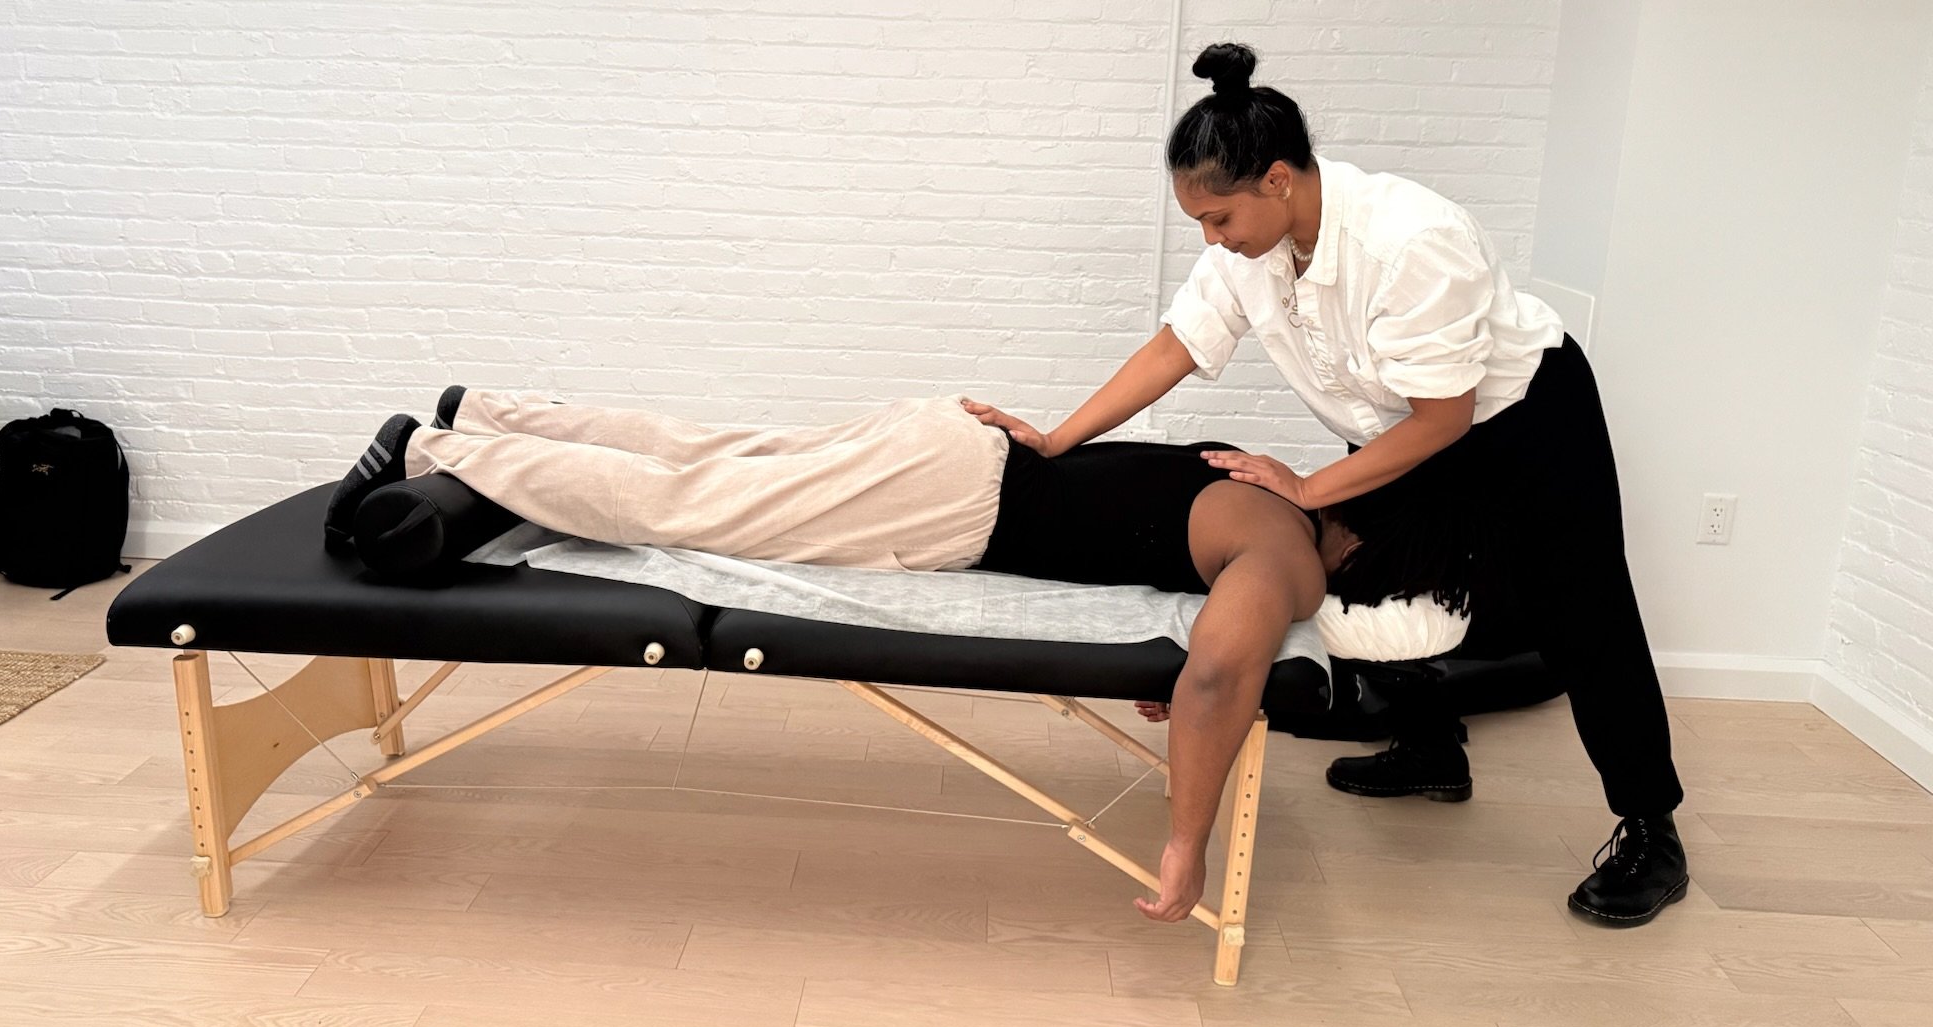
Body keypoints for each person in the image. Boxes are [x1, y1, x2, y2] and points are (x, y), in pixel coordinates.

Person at [963, 42, 1688, 928]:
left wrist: (1309, 488)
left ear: (1277, 180)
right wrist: (1057, 438)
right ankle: (1430, 745)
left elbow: (1445, 420)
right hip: (1395, 421)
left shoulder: (1412, 240)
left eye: (1218, 217)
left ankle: (1650, 830)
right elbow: (1178, 344)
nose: (1211, 239)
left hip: (1521, 419)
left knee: (1583, 604)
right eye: (1199, 221)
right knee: (1360, 562)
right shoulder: (1251, 248)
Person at [325, 382, 1325, 922]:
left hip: (955, 444)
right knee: (692, 505)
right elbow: (1217, 672)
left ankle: (481, 412)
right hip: (946, 504)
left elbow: (1159, 566)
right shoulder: (1290, 554)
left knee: (713, 453)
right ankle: (434, 456)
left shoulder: (1266, 480)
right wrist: (1185, 841)